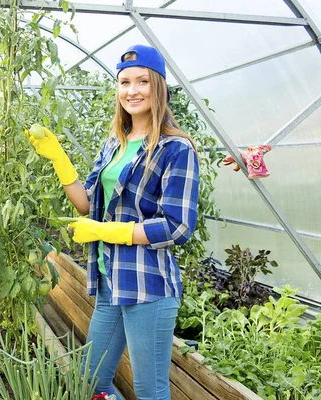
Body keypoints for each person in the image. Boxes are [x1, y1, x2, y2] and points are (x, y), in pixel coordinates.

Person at [27, 44, 199, 399]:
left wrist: (107, 231)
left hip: (147, 287)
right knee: (88, 382)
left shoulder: (176, 149)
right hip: (110, 280)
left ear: (158, 87)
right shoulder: (115, 143)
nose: (131, 91)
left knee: (149, 390)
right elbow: (87, 204)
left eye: (142, 81)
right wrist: (59, 158)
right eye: (124, 83)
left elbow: (178, 226)